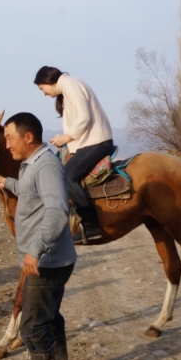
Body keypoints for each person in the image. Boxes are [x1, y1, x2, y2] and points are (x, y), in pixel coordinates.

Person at [0, 112, 76, 360]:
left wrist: (35, 250)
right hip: (48, 259)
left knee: (32, 326)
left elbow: (56, 211)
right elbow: (30, 190)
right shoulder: (31, 165)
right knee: (50, 317)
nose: (7, 145)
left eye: (10, 138)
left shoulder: (47, 166)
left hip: (46, 261)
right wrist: (6, 182)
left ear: (28, 137)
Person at [34, 66, 114, 243]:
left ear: (48, 81)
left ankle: (92, 226)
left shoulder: (70, 85)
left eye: (42, 89)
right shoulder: (69, 87)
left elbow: (83, 118)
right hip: (90, 142)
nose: (44, 94)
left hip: (97, 142)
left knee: (66, 177)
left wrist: (66, 138)